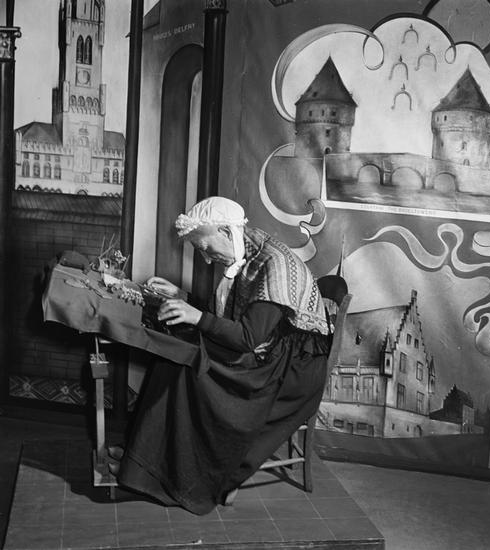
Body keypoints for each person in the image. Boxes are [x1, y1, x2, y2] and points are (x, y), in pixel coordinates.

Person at [115, 196, 330, 515]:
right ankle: (141, 461)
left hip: (292, 371)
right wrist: (184, 297)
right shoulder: (248, 248)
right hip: (271, 352)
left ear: (227, 232)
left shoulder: (274, 265)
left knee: (189, 367)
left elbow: (247, 337)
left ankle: (171, 476)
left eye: (205, 247)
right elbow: (235, 316)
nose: (205, 259)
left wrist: (196, 317)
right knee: (172, 356)